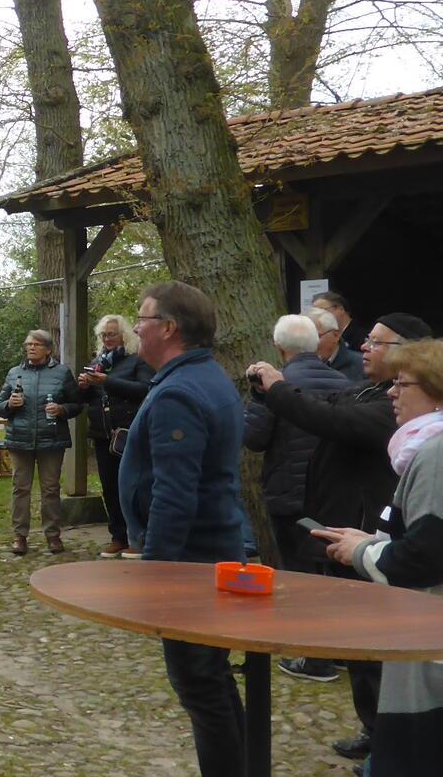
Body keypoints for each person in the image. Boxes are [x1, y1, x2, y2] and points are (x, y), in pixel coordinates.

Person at [248, 311, 431, 751]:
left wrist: (277, 388)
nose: (364, 347)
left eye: (377, 342)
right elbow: (326, 408)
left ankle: (388, 738)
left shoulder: (404, 411)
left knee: (377, 648)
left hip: (373, 536)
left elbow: (330, 421)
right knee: (359, 645)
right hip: (350, 530)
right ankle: (375, 731)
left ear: (411, 353)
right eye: (366, 339)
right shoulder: (370, 390)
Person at [119, 280, 247, 777]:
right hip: (210, 554)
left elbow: (176, 494)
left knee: (201, 686)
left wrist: (157, 572)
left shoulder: (180, 390)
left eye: (142, 320)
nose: (136, 329)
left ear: (168, 328)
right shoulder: (206, 376)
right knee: (211, 681)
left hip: (192, 564)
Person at [313, 338, 443, 776]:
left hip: (429, 658)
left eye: (401, 383)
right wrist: (371, 538)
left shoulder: (437, 454)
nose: (391, 392)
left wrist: (362, 550)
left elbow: (425, 556)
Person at [244, 315, 350, 577]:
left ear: (279, 347)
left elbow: (254, 439)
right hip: (333, 493)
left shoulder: (274, 387)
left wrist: (257, 399)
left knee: (296, 573)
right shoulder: (346, 384)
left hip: (288, 495)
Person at [0, 329, 81, 555]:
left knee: (51, 489)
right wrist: (9, 405)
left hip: (51, 440)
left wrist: (62, 409)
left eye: (36, 344)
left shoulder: (62, 373)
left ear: (48, 349)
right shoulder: (15, 373)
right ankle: (19, 536)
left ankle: (53, 535)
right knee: (20, 488)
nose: (31, 348)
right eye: (28, 344)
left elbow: (77, 404)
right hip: (20, 440)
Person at [78, 315, 153, 558]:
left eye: (112, 334)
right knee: (109, 487)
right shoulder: (98, 363)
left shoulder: (137, 361)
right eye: (103, 335)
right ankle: (117, 536)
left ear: (124, 335)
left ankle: (138, 537)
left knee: (132, 487)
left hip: (128, 433)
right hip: (102, 434)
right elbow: (84, 400)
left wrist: (108, 382)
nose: (107, 339)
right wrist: (83, 387)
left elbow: (144, 390)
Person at [309, 304, 366, 382]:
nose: (309, 343)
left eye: (315, 336)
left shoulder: (362, 366)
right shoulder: (294, 365)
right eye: (305, 338)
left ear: (336, 335)